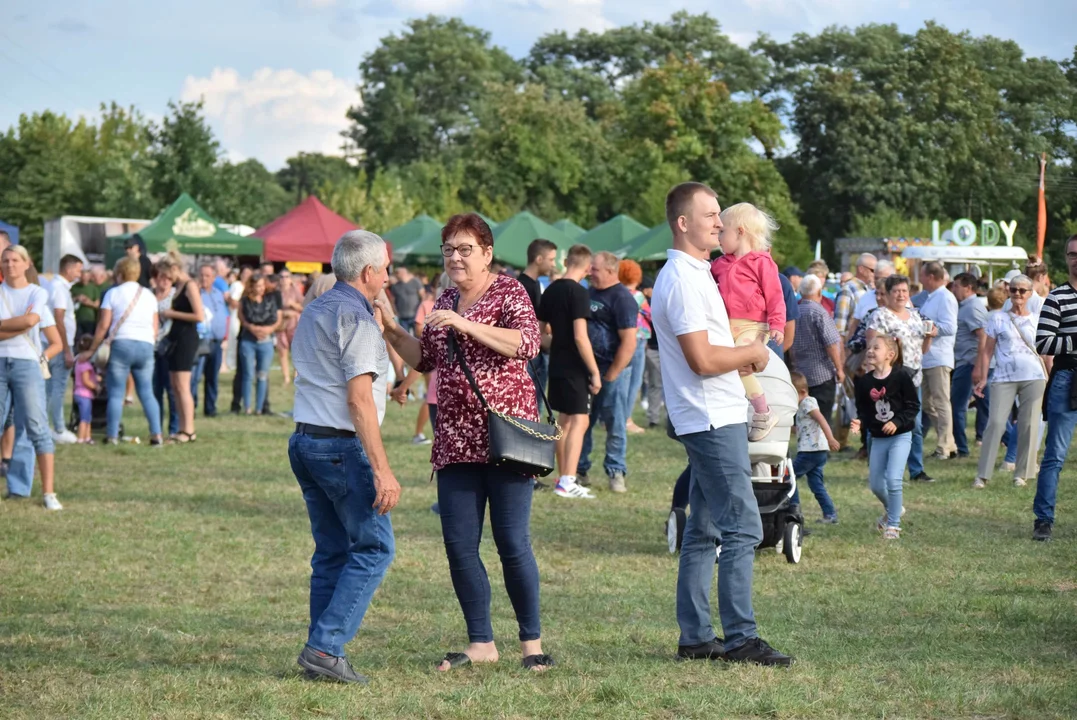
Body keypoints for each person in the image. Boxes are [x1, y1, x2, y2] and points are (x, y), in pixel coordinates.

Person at [378, 212, 554, 673]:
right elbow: (428, 357)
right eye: (449, 249)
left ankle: (531, 646)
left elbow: (527, 343)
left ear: (487, 253)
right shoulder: (446, 297)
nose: (456, 257)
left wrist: (464, 323)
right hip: (454, 439)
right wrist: (392, 330)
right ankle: (481, 642)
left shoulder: (508, 291)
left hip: (505, 438)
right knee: (459, 545)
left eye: (465, 249)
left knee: (512, 542)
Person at [652, 181, 791, 666]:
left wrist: (742, 356)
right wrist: (753, 352)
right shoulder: (686, 280)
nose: (719, 222)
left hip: (713, 411)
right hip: (711, 415)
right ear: (683, 223)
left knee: (704, 529)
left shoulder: (696, 273)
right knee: (743, 527)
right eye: (710, 214)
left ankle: (695, 637)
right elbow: (702, 359)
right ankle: (741, 639)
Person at [288, 230, 400, 685]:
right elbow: (359, 400)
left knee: (332, 552)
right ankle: (325, 646)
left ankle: (321, 648)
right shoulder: (356, 319)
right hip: (338, 447)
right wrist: (383, 469)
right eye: (386, 269)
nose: (389, 278)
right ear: (369, 272)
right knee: (375, 548)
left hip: (305, 441)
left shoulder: (315, 308)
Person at [709, 204, 786, 443]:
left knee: (741, 367)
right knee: (724, 366)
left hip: (754, 326)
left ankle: (764, 412)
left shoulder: (762, 263)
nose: (718, 237)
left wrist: (777, 324)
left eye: (723, 232)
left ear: (740, 231)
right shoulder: (719, 264)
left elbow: (775, 295)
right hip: (728, 325)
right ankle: (737, 412)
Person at [0, 244, 63, 509]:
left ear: (27, 264)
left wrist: (42, 356)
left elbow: (33, 323)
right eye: (5, 260)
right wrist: (21, 322)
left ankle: (47, 493)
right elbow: (25, 322)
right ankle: (18, 488)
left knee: (35, 427)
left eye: (15, 260)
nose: (10, 264)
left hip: (27, 363)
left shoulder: (37, 293)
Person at [538, 244, 602, 500]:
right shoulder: (579, 292)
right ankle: (568, 479)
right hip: (576, 366)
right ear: (587, 268)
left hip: (556, 363)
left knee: (563, 422)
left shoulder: (551, 289)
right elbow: (580, 337)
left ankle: (563, 478)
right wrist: (594, 371)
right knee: (580, 421)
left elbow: (540, 333)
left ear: (566, 262)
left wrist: (557, 344)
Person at [972, 273, 1046, 489]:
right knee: (995, 423)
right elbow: (987, 351)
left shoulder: (1037, 318)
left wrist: (1050, 376)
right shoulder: (997, 318)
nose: (1018, 294)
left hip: (1034, 376)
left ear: (1030, 293)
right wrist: (984, 376)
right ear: (1008, 292)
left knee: (1029, 424)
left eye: (1023, 290)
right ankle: (983, 475)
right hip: (1004, 377)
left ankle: (1021, 474)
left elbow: (1045, 352)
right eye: (1013, 290)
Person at [79, 257, 164, 446]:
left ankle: (112, 436)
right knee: (147, 393)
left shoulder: (113, 293)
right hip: (145, 345)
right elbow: (155, 327)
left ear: (119, 273)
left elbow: (103, 325)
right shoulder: (149, 295)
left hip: (122, 343)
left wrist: (93, 348)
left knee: (116, 393)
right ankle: (156, 435)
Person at [579, 251, 638, 493]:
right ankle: (580, 469)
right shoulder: (588, 292)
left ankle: (616, 471)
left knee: (615, 423)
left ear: (611, 271)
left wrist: (612, 374)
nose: (590, 272)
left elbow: (629, 342)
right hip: (586, 369)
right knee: (583, 421)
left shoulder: (622, 298)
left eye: (595, 269)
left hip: (612, 370)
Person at [866, 274, 934, 483]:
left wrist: (929, 337)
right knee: (881, 420)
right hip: (889, 378)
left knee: (915, 424)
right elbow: (872, 349)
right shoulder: (880, 316)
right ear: (886, 294)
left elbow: (921, 349)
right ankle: (878, 467)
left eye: (904, 291)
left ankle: (916, 470)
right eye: (896, 291)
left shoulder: (915, 315)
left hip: (913, 377)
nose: (901, 295)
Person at [1032, 234, 1077, 542]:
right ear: (1066, 259)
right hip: (1067, 377)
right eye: (1072, 254)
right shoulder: (1057, 297)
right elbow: (1043, 341)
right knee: (1055, 455)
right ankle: (1043, 519)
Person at [852, 335, 919, 540]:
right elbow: (863, 410)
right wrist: (860, 422)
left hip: (901, 436)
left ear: (890, 355)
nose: (870, 351)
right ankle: (894, 510)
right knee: (876, 484)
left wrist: (897, 422)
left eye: (876, 348)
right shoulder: (864, 382)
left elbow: (913, 407)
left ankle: (893, 526)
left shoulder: (901, 378)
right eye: (869, 347)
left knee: (893, 479)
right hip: (878, 438)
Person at [158, 255, 204, 442]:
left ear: (175, 268)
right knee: (175, 385)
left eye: (166, 273)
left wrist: (171, 313)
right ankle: (181, 428)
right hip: (176, 338)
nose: (166, 278)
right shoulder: (178, 287)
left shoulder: (189, 285)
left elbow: (199, 315)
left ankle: (189, 430)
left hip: (186, 338)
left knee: (183, 386)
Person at [791, 274, 844, 429]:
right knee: (822, 420)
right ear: (819, 292)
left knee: (804, 419)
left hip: (801, 373)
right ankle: (822, 450)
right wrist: (839, 368)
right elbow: (831, 344)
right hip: (822, 374)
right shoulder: (819, 312)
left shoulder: (795, 311)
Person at [918, 262, 959, 459]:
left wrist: (932, 329)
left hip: (939, 357)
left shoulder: (945, 297)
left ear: (931, 277)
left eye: (922, 275)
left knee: (941, 402)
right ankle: (949, 442)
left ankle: (944, 446)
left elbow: (951, 327)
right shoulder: (931, 298)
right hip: (927, 357)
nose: (920, 279)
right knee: (927, 403)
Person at [790, 371, 841, 523]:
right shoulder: (802, 405)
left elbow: (822, 420)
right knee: (816, 485)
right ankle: (830, 514)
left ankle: (794, 508)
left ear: (802, 392)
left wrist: (831, 438)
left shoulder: (808, 402)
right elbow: (802, 427)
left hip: (810, 451)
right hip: (816, 452)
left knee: (789, 478)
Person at [950, 273, 990, 458]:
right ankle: (1009, 440)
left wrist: (977, 367)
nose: (954, 289)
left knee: (957, 406)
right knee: (988, 407)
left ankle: (962, 449)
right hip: (969, 363)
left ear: (968, 287)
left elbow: (983, 336)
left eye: (957, 285)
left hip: (969, 364)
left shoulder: (972, 307)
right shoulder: (966, 307)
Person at [45, 254, 83, 444]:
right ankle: (59, 428)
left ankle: (46, 426)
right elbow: (58, 317)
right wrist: (66, 348)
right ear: (68, 269)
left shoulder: (56, 287)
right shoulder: (60, 289)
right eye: (78, 269)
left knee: (49, 388)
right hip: (60, 344)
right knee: (58, 388)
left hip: (55, 343)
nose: (80, 273)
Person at [237, 273, 282, 415]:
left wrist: (268, 329)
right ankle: (247, 407)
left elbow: (277, 319)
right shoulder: (244, 300)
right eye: (257, 286)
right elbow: (241, 317)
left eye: (262, 285)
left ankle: (259, 408)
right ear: (252, 286)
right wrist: (252, 328)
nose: (260, 289)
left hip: (266, 341)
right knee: (248, 374)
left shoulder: (271, 299)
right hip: (248, 340)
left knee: (263, 374)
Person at [519, 239, 557, 405]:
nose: (553, 265)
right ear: (539, 259)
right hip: (529, 356)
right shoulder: (523, 286)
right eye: (551, 259)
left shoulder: (533, 284)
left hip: (535, 352)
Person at [191, 263, 228, 417]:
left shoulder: (218, 294)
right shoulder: (195, 294)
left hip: (216, 341)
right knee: (195, 376)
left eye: (208, 276)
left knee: (213, 377)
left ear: (214, 278)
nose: (204, 278)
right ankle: (191, 406)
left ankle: (210, 407)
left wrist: (225, 335)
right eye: (202, 275)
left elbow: (224, 315)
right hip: (200, 341)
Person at [619, 259, 649, 434]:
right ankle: (627, 419)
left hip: (621, 340)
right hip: (637, 340)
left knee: (621, 380)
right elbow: (651, 314)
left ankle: (612, 418)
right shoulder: (637, 296)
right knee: (635, 381)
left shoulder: (616, 293)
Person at [151, 269, 179, 438]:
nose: (166, 281)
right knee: (156, 389)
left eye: (169, 278)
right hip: (153, 346)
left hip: (169, 345)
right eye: (162, 277)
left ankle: (174, 428)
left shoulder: (175, 295)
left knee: (171, 389)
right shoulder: (149, 294)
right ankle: (157, 428)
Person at [845, 260, 895, 343]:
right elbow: (854, 324)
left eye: (883, 278)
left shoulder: (900, 299)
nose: (878, 281)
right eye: (876, 278)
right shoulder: (865, 297)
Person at [833, 253, 877, 336]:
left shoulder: (869, 289)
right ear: (861, 269)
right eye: (873, 270)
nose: (875, 274)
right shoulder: (847, 290)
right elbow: (839, 327)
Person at [276, 270, 305, 386]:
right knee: (282, 351)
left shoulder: (295, 290)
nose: (284, 279)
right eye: (281, 277)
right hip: (281, 323)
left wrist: (293, 305)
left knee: (296, 351)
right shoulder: (276, 292)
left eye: (286, 277)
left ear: (290, 278)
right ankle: (286, 378)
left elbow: (305, 306)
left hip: (295, 323)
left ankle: (295, 376)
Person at [72, 335, 99, 444]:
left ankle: (88, 437)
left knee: (88, 417)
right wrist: (95, 386)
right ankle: (81, 438)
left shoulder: (78, 361)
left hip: (79, 393)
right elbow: (86, 381)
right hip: (84, 394)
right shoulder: (86, 365)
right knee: (84, 418)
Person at [72, 265, 106, 338]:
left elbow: (97, 305)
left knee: (88, 339)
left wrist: (87, 302)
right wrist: (76, 298)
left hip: (89, 320)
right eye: (82, 276)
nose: (84, 278)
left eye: (86, 276)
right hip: (75, 319)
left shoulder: (93, 288)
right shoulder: (74, 287)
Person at [389, 265, 423, 335]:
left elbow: (423, 295)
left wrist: (421, 311)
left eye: (398, 273)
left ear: (404, 272)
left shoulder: (415, 282)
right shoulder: (395, 286)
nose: (396, 274)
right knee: (405, 336)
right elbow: (392, 300)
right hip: (402, 316)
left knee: (417, 336)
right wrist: (395, 311)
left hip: (415, 315)